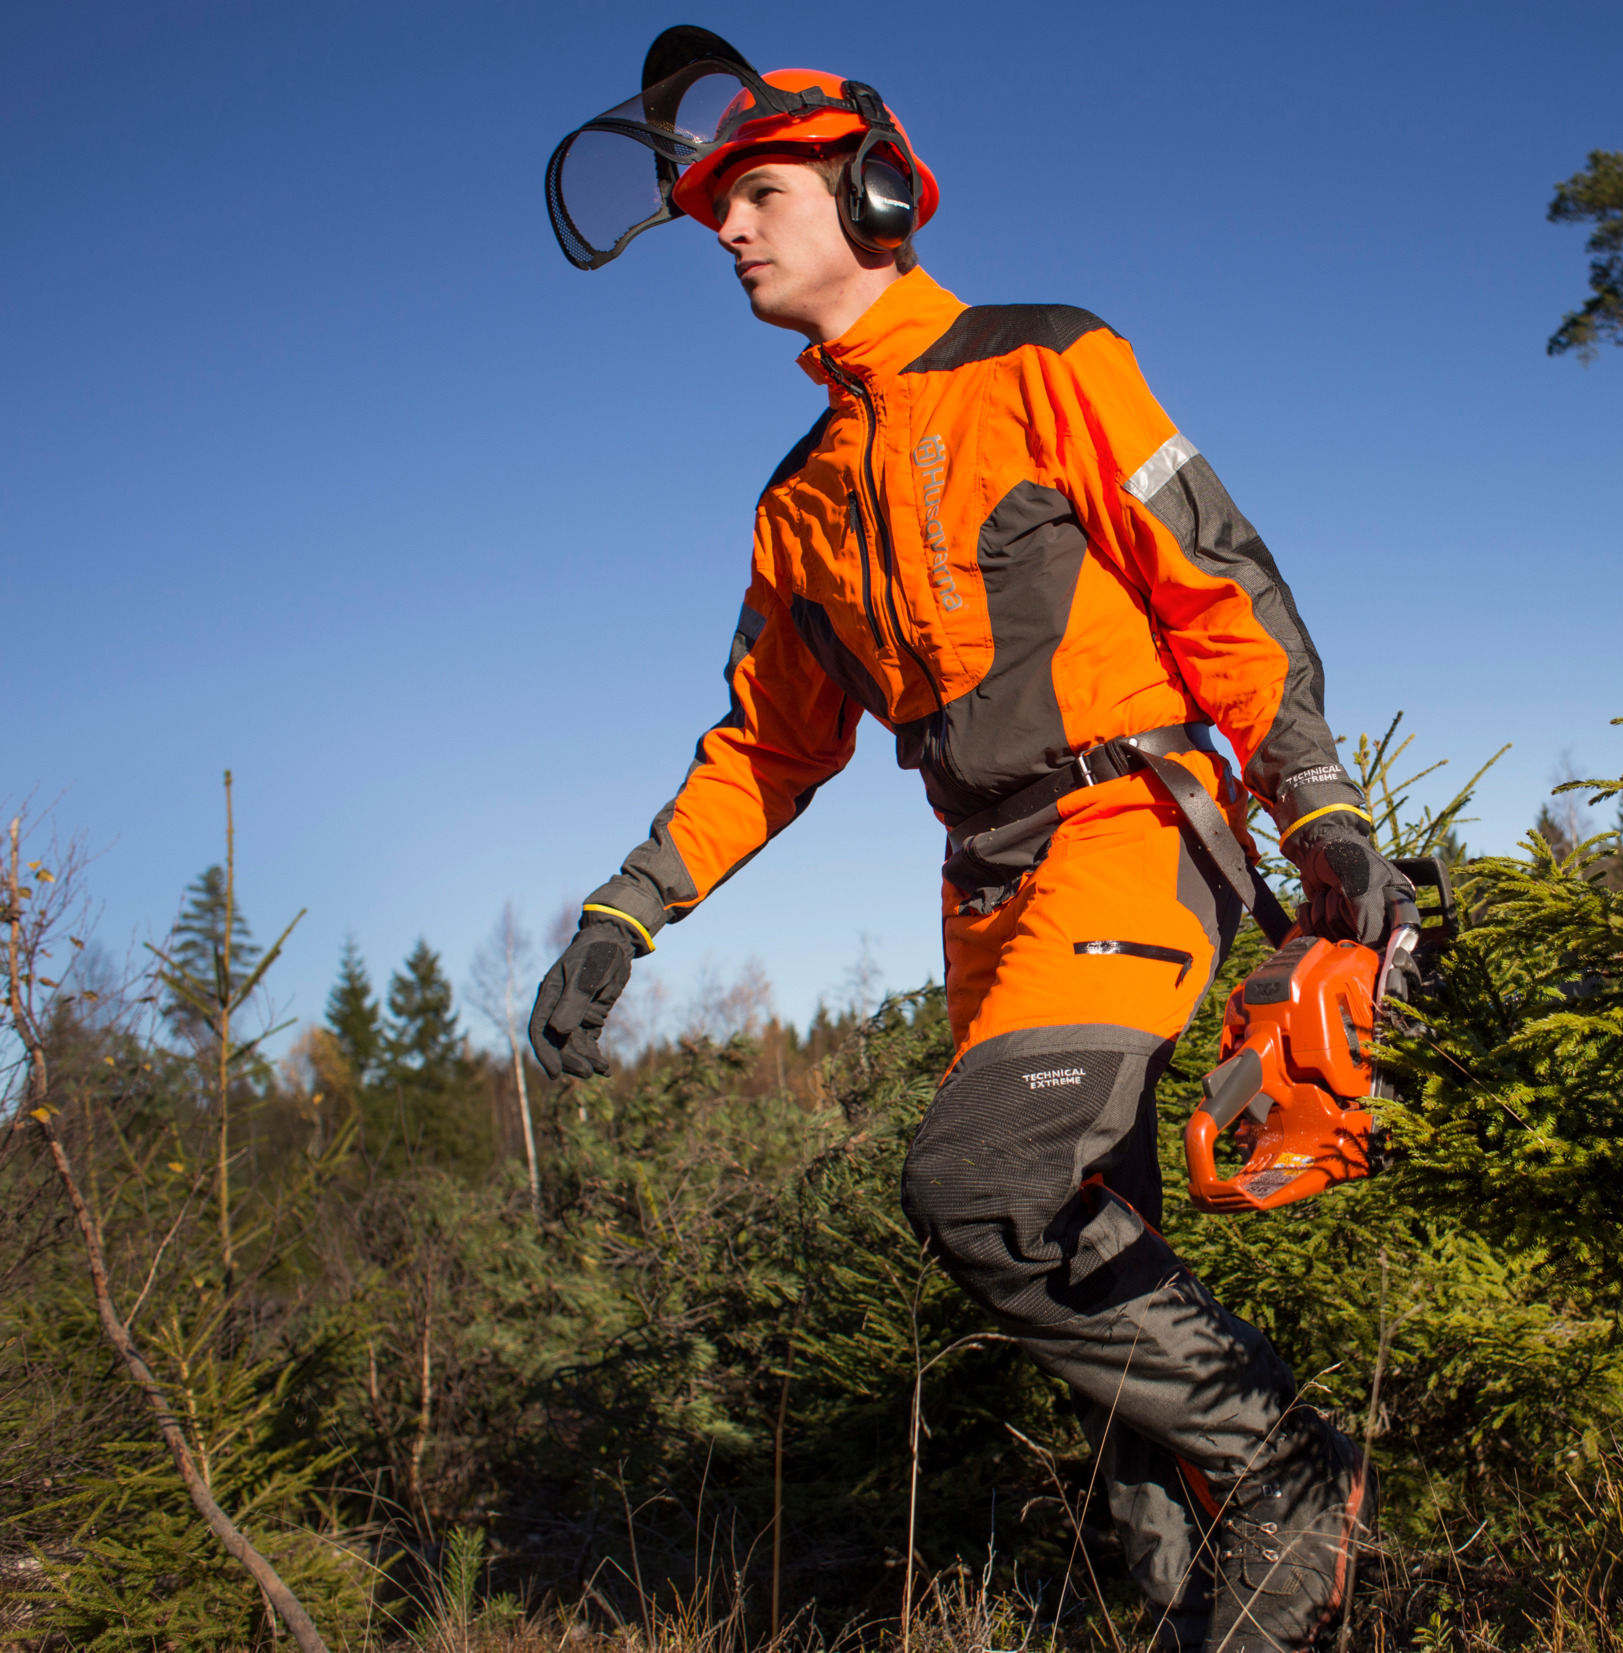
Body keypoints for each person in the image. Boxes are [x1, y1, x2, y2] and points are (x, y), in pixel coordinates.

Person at [528, 29, 1413, 1653]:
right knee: (1094, 1296)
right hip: (986, 896)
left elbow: (1221, 584)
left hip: (1134, 830)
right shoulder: (796, 496)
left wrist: (1326, 812)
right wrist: (624, 913)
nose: (725, 231)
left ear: (873, 194)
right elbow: (768, 744)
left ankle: (1287, 1461)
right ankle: (1223, 1613)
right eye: (714, 207)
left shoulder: (1044, 360)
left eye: (760, 193)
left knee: (986, 1184)